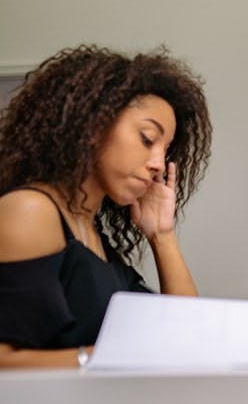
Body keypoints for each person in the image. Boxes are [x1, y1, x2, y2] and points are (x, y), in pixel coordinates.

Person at [0, 45, 212, 367]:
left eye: (165, 150)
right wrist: (107, 360)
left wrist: (162, 235)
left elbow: (186, 332)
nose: (158, 163)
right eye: (146, 138)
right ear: (93, 125)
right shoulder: (31, 211)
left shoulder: (93, 235)